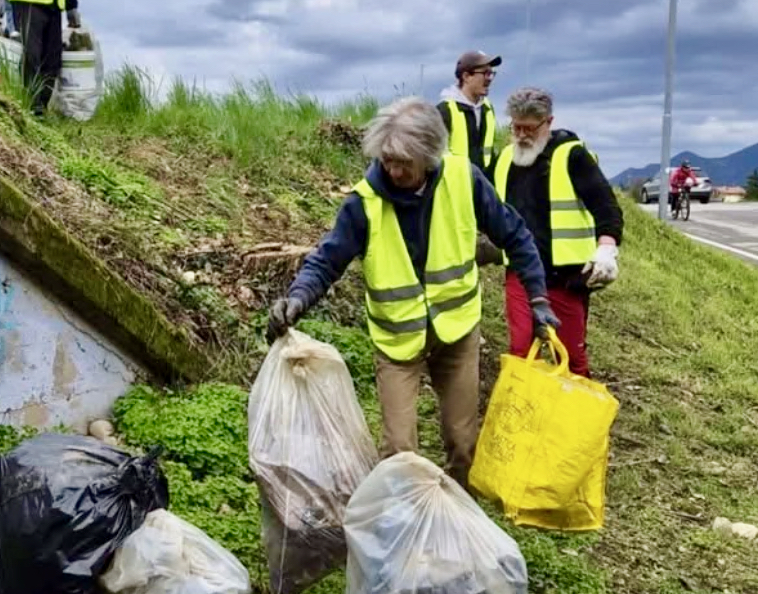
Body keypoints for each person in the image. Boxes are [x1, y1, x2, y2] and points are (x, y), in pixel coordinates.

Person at [266, 96, 550, 486]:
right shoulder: (364, 202)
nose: (394, 170)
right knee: (399, 450)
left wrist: (538, 299)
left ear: (429, 158)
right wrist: (297, 297)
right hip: (397, 343)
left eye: (405, 163)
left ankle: (457, 520)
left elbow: (516, 236)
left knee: (463, 444)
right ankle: (403, 530)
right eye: (388, 160)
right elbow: (327, 259)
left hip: (457, 331)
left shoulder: (462, 179)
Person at [491, 87, 623, 378]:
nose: (522, 134)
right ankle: (522, 416)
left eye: (529, 128)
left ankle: (574, 418)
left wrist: (606, 249)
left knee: (572, 356)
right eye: (516, 127)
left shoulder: (572, 156)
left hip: (566, 278)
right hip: (521, 274)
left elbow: (606, 208)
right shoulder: (503, 161)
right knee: (521, 350)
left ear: (547, 123)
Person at [0, 0, 82, 116]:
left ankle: (41, 108)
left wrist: (71, 6)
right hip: (27, 4)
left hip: (55, 6)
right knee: (30, 55)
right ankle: (30, 105)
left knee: (52, 61)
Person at [437, 50, 501, 178]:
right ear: (466, 77)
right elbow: (437, 156)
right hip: (457, 185)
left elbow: (489, 151)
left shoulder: (487, 108)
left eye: (491, 73)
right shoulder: (445, 110)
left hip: (484, 184)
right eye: (485, 73)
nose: (489, 79)